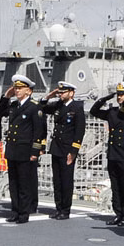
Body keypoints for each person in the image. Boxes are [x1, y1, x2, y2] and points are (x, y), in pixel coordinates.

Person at [89, 81, 124, 226]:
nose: (119, 97)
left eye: (122, 94)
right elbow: (94, 111)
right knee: (115, 185)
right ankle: (118, 213)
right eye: (118, 94)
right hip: (113, 153)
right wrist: (106, 98)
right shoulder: (112, 112)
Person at [0, 74, 46, 223]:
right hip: (12, 149)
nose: (17, 90)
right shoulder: (13, 106)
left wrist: (35, 151)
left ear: (29, 91)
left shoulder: (34, 107)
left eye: (20, 88)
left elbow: (39, 131)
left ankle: (24, 213)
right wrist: (6, 96)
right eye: (15, 88)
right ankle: (15, 210)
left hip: (25, 150)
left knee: (24, 183)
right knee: (13, 183)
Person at [40, 81, 85, 220]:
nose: (60, 94)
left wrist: (73, 151)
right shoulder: (57, 105)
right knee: (57, 181)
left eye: (63, 92)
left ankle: (65, 209)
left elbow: (79, 131)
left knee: (66, 180)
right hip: (56, 147)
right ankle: (58, 207)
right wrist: (49, 95)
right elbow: (42, 107)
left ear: (71, 93)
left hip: (67, 149)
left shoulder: (77, 107)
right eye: (59, 92)